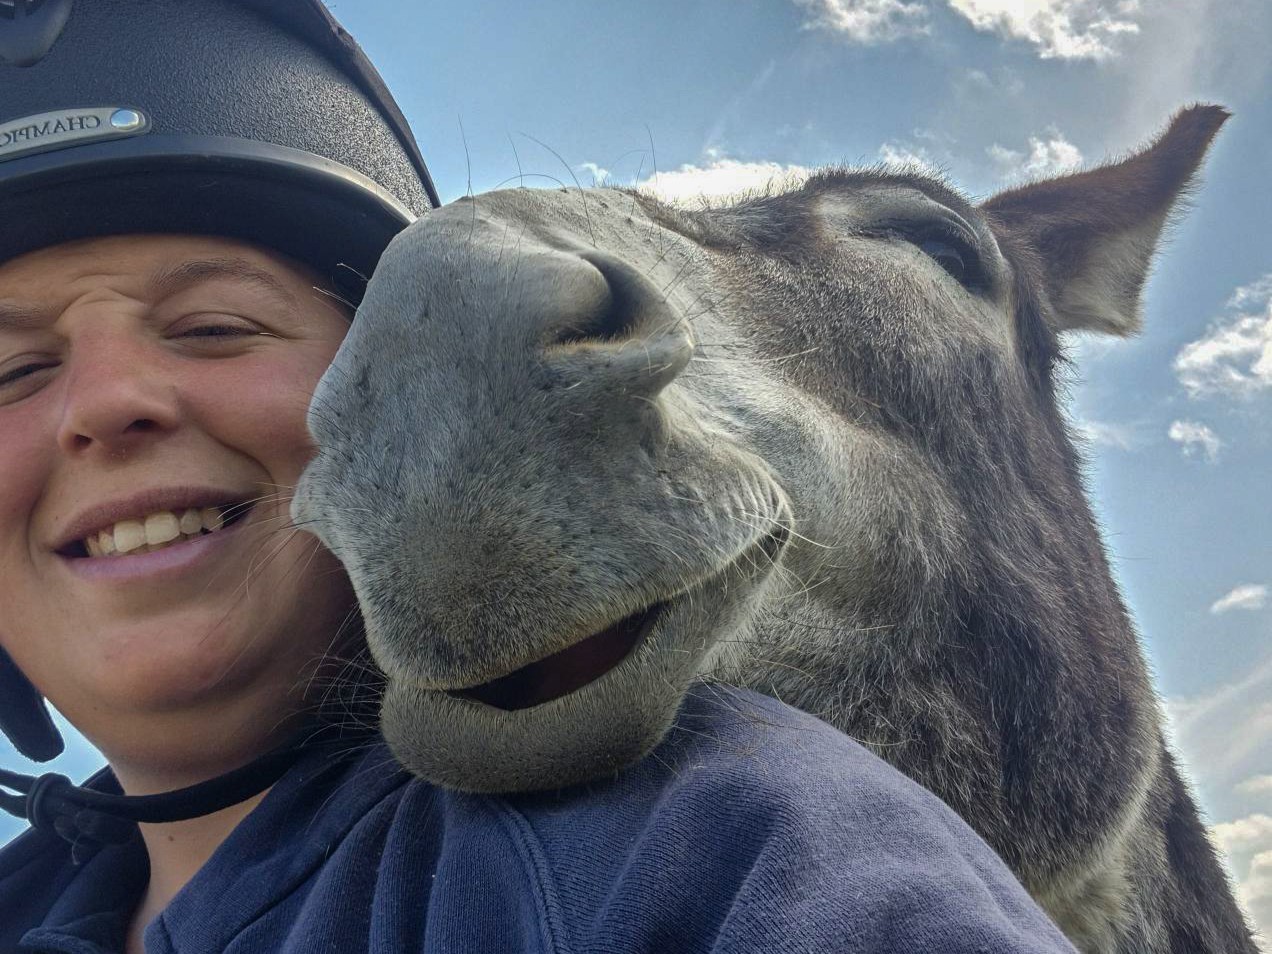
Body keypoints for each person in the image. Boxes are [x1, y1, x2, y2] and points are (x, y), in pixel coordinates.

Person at [0, 3, 1080, 952]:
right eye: (11, 372)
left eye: (215, 326)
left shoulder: (713, 847)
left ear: (404, 389)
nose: (104, 404)